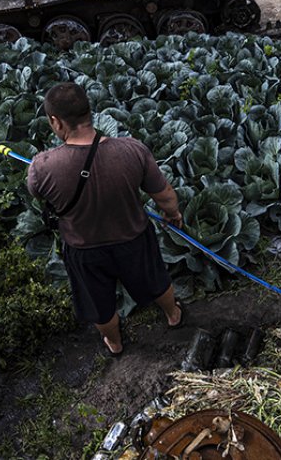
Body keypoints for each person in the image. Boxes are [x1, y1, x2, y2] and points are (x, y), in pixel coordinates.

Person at [26, 82, 185, 356]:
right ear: (90, 112)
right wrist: (173, 215)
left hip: (84, 251)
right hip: (134, 239)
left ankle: (115, 343)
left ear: (55, 121)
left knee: (100, 305)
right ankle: (173, 315)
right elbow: (165, 195)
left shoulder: (42, 166)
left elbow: (38, 194)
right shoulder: (132, 150)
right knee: (157, 282)